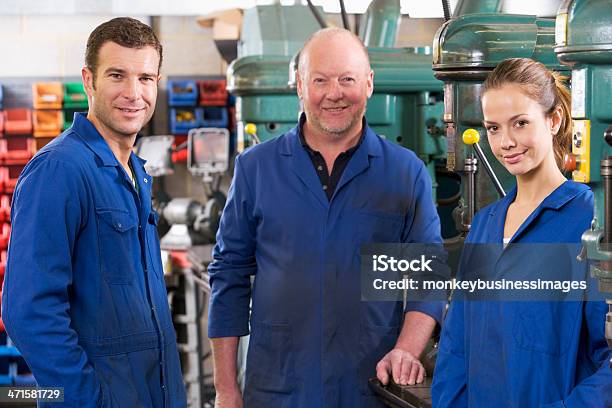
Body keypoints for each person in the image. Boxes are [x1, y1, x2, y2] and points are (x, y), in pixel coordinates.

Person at [208, 27, 444, 408]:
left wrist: (406, 350)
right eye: (320, 80)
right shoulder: (255, 169)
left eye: (347, 79)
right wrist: (226, 388)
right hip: (278, 388)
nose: (334, 93)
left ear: (368, 84)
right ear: (300, 86)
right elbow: (229, 275)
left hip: (370, 386)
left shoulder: (405, 172)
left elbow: (425, 278)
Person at [2, 17, 187, 407]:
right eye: (117, 75)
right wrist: (88, 400)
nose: (133, 93)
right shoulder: (60, 169)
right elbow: (29, 311)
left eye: (146, 78)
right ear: (89, 80)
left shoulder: (135, 174)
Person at [431, 58, 612, 407]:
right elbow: (457, 344)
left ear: (555, 120)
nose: (506, 143)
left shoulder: (589, 222)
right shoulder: (486, 224)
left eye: (520, 123)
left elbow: (607, 358)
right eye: (494, 128)